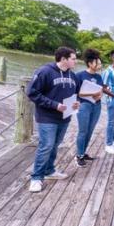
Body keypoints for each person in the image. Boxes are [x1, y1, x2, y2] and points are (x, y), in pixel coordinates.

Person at [27, 46, 80, 193]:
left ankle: (49, 171)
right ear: (63, 59)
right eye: (73, 59)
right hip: (47, 117)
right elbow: (32, 93)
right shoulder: (45, 72)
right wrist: (54, 105)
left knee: (55, 145)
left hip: (64, 117)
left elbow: (77, 93)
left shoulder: (73, 76)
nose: (76, 61)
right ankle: (36, 178)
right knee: (46, 146)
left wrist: (76, 102)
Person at [75, 48, 103, 167]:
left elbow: (100, 91)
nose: (100, 65)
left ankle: (84, 152)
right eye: (97, 63)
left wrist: (98, 96)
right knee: (83, 131)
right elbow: (76, 93)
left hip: (96, 105)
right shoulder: (80, 75)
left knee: (90, 131)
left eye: (100, 63)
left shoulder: (99, 77)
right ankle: (79, 155)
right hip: (84, 105)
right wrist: (91, 94)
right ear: (90, 63)